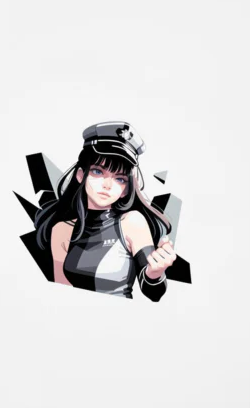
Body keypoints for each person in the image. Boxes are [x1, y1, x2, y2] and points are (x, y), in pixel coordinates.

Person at [34, 121, 177, 301]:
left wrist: (154, 274)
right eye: (98, 171)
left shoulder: (132, 222)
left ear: (125, 189)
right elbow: (60, 292)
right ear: (80, 175)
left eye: (119, 179)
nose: (107, 185)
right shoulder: (62, 230)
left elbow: (154, 293)